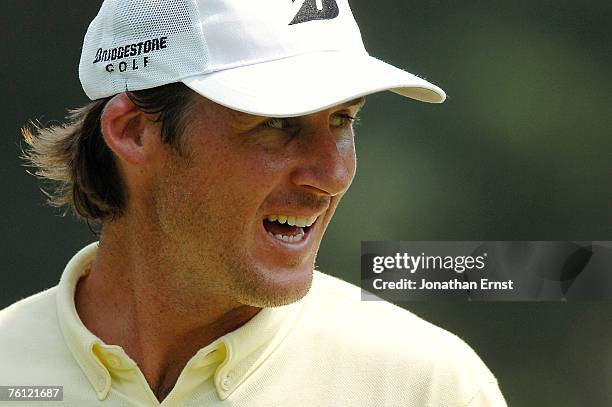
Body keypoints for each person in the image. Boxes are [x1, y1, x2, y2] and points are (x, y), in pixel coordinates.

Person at [0, 0, 506, 405]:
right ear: (133, 132)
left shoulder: (428, 388)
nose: (332, 174)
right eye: (277, 124)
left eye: (342, 121)